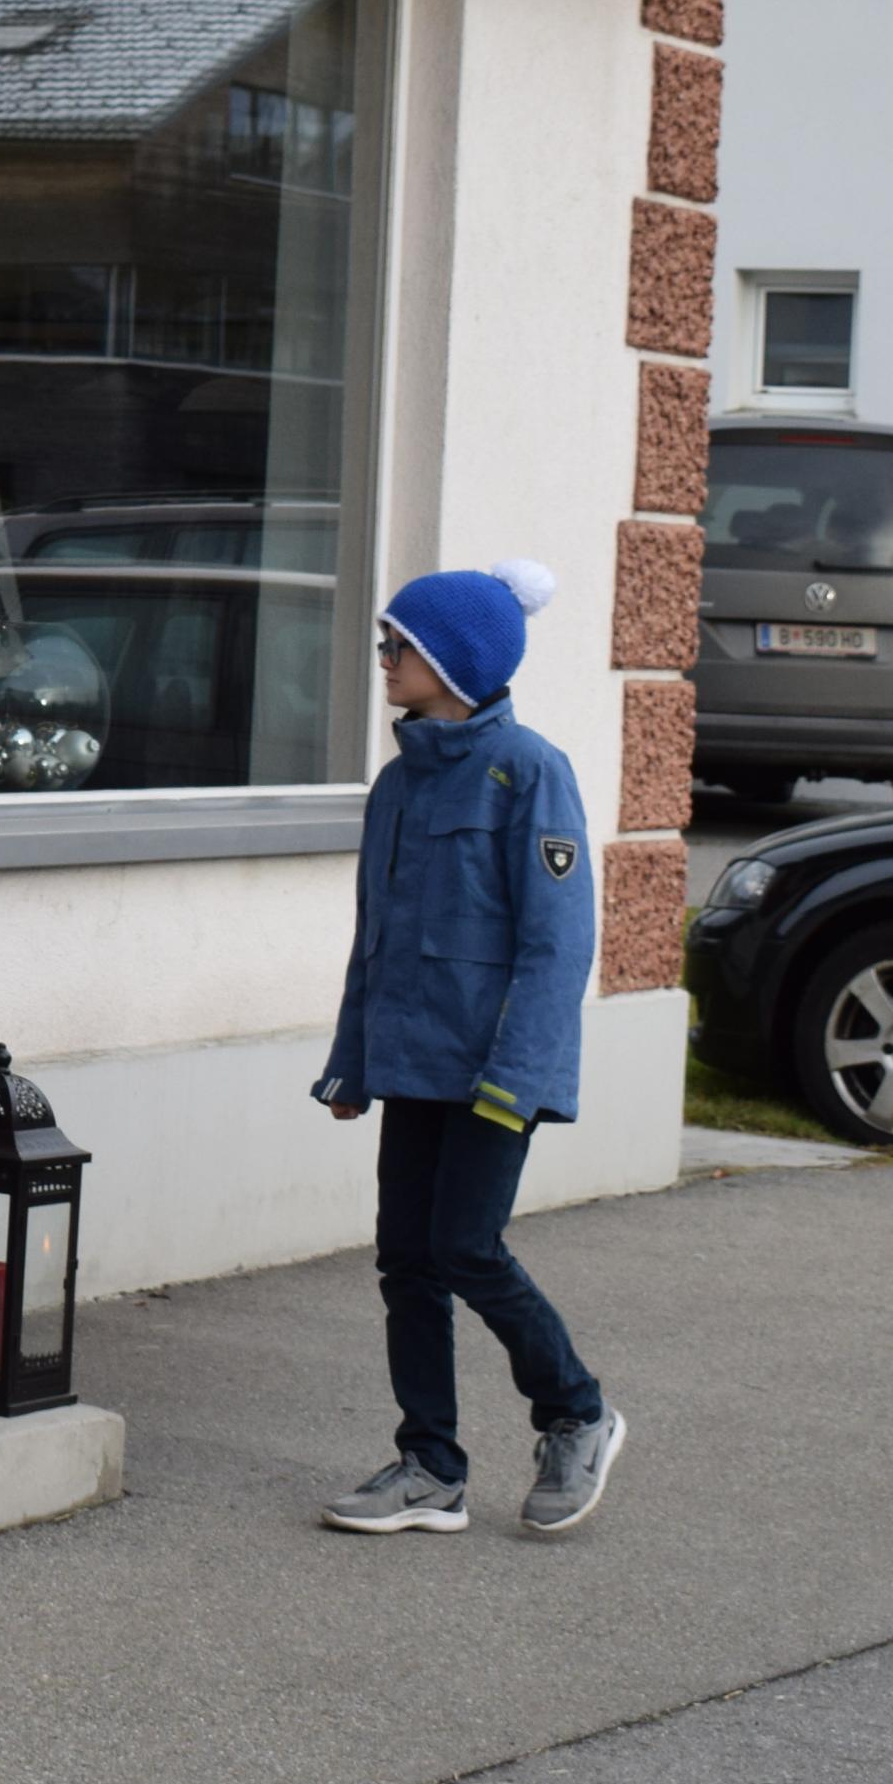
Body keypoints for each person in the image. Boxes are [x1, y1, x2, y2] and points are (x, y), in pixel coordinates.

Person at [313, 559, 624, 1536]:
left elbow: (557, 945)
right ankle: (430, 1468)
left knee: (465, 1248)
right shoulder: (396, 786)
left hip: (495, 1073)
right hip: (412, 1064)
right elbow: (375, 939)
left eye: (396, 645)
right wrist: (352, 1060)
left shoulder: (528, 772)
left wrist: (516, 1078)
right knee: (407, 1260)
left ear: (451, 660)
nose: (383, 658)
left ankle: (576, 1411)